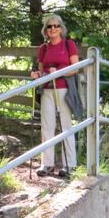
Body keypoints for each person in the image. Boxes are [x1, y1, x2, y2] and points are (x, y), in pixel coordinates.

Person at [30, 14, 79, 177]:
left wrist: (59, 72)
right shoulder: (43, 48)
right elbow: (42, 70)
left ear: (61, 28)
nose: (53, 29)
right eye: (50, 26)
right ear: (46, 30)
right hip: (47, 90)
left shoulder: (69, 44)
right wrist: (38, 75)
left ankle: (70, 164)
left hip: (63, 89)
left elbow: (75, 68)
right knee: (47, 127)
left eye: (56, 26)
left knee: (66, 126)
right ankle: (47, 164)